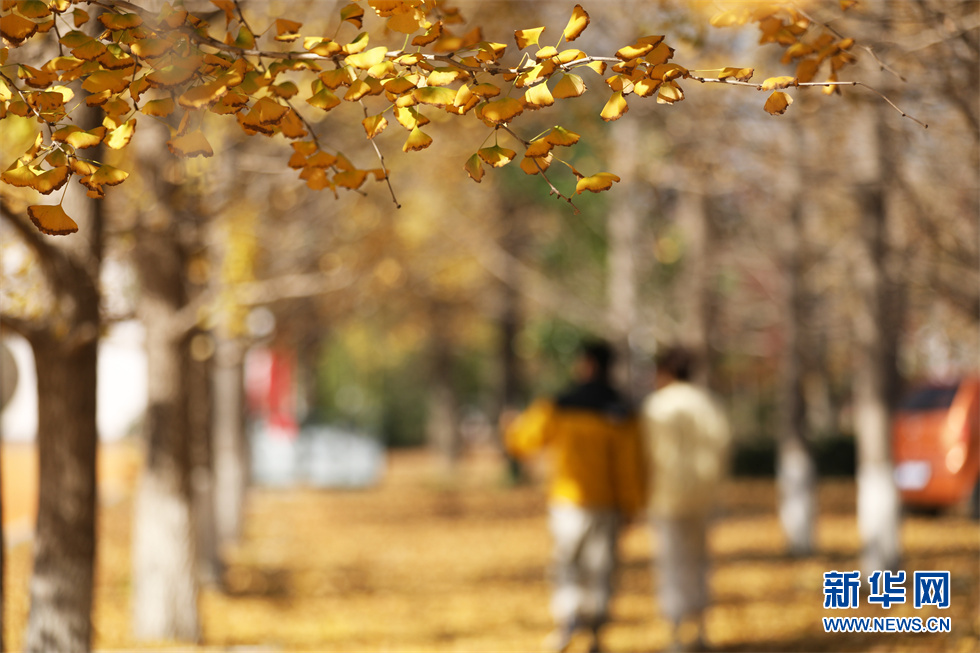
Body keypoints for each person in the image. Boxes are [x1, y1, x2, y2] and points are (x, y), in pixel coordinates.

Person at [505, 340, 646, 653]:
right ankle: (596, 634)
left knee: (568, 564)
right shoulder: (623, 411)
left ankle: (567, 621)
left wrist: (510, 429)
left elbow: (525, 439)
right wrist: (632, 506)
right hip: (608, 504)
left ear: (586, 364)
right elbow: (630, 466)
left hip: (568, 502)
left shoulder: (560, 404)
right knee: (601, 568)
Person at [641, 346, 731, 652]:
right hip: (704, 496)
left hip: (666, 497)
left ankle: (677, 634)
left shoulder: (656, 406)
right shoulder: (708, 404)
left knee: (672, 564)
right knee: (700, 561)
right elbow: (722, 448)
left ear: (664, 371)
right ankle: (701, 630)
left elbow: (645, 454)